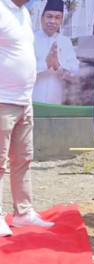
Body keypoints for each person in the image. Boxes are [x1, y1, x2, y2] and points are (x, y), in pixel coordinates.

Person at [0, 0, 55, 237]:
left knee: (23, 159)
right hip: (2, 100)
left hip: (24, 101)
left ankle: (23, 212)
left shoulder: (24, 13)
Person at [32, 0, 79, 105]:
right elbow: (23, 71)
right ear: (42, 18)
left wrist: (58, 67)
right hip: (33, 101)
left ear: (61, 21)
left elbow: (75, 73)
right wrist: (46, 65)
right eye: (49, 16)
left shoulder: (65, 42)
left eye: (57, 17)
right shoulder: (31, 39)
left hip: (57, 102)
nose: (52, 21)